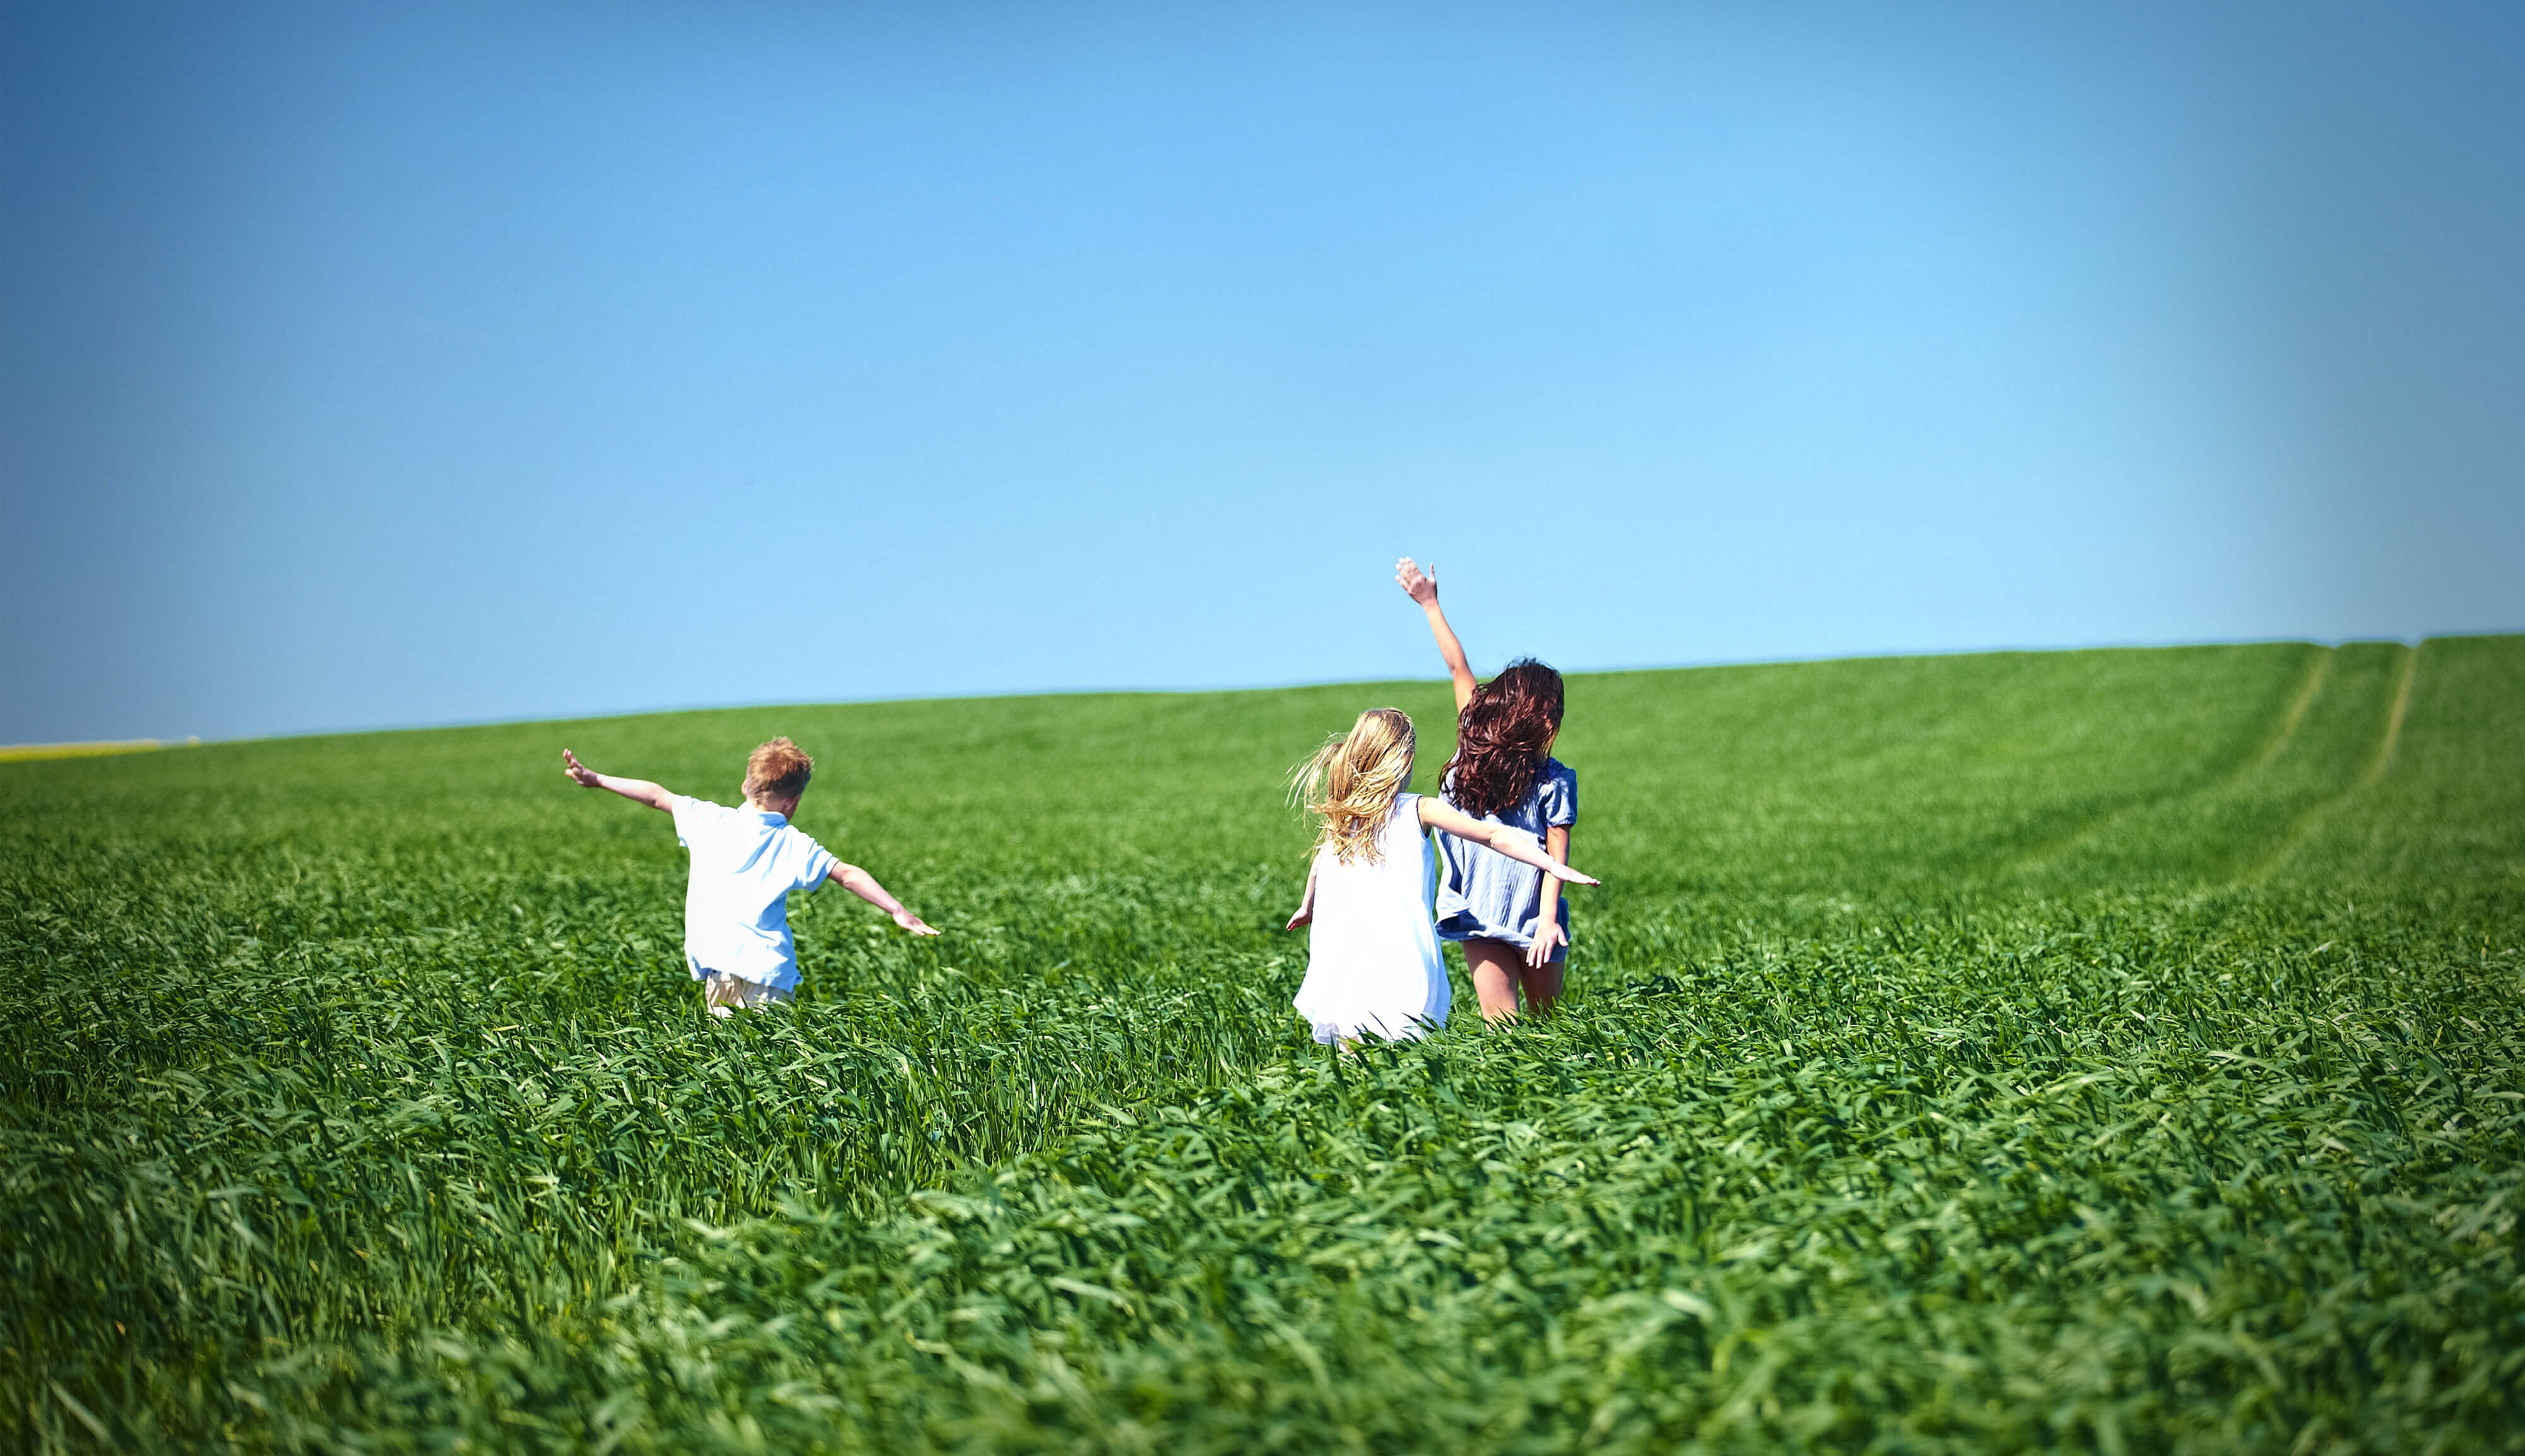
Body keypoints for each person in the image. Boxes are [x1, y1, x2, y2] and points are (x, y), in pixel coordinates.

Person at [1283, 707, 1597, 1046]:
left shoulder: (1347, 816)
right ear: (1402, 758)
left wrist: (1308, 905)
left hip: (1351, 950)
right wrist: (1551, 864)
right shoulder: (1418, 808)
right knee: (1406, 1039)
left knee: (1352, 1042)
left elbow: (1322, 859)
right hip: (1400, 948)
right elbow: (1493, 835)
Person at [560, 738, 937, 1015]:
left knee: (730, 1078)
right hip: (770, 974)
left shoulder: (709, 820)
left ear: (746, 787)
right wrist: (898, 910)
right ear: (793, 802)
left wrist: (596, 779)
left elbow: (656, 795)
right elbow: (848, 874)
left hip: (720, 971)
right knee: (773, 1073)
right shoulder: (793, 843)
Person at [1396, 557, 1579, 1021]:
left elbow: (1556, 858)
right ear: (1538, 716)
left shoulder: (1555, 779)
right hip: (1478, 911)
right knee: (1504, 1028)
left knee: (1549, 1024)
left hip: (1535, 913)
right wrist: (1429, 603)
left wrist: (1548, 921)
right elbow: (1457, 665)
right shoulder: (1472, 739)